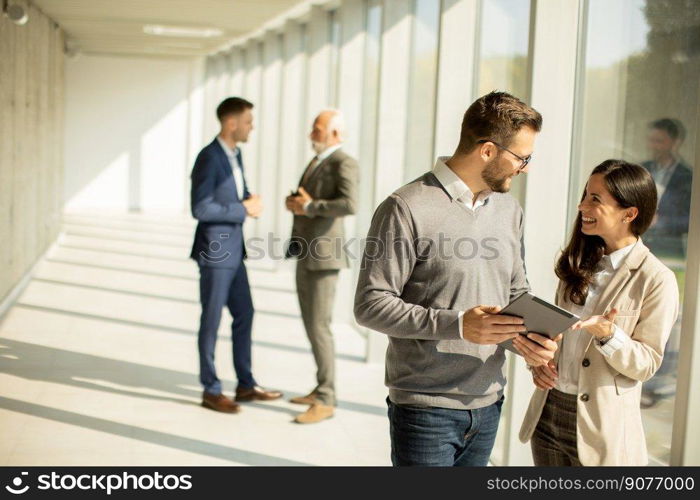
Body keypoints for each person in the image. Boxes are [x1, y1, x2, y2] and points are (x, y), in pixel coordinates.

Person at [354, 91, 558, 466]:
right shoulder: (406, 207)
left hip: (489, 403)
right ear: (487, 151)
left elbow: (515, 293)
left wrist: (530, 344)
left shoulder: (509, 210)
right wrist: (460, 326)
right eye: (521, 157)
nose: (525, 168)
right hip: (425, 411)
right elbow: (371, 304)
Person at [519, 160, 679, 466]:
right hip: (549, 413)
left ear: (630, 214)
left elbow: (647, 364)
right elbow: (559, 339)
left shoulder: (657, 279)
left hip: (601, 430)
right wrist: (538, 362)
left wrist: (609, 335)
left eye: (596, 199)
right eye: (585, 196)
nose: (582, 206)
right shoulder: (578, 263)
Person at [190, 97, 282, 413]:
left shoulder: (235, 154)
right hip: (215, 251)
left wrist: (247, 199)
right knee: (212, 319)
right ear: (231, 123)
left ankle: (245, 384)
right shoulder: (208, 157)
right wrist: (242, 209)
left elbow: (231, 195)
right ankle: (211, 389)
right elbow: (200, 208)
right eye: (247, 121)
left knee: (246, 313)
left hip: (234, 251)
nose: (251, 127)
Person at [284, 109, 359, 424]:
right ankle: (320, 388)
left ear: (335, 134)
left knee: (319, 327)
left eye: (317, 129)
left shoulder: (344, 162)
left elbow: (350, 203)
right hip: (307, 252)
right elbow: (309, 201)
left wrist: (311, 206)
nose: (311, 133)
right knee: (311, 325)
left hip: (324, 256)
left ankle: (327, 398)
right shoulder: (318, 161)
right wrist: (298, 204)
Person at [640, 118, 692, 408]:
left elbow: (690, 216)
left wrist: (664, 222)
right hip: (643, 249)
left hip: (672, 254)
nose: (653, 145)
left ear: (674, 142)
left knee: (667, 317)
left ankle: (659, 381)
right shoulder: (644, 168)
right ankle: (644, 378)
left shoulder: (687, 176)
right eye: (651, 139)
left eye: (659, 140)